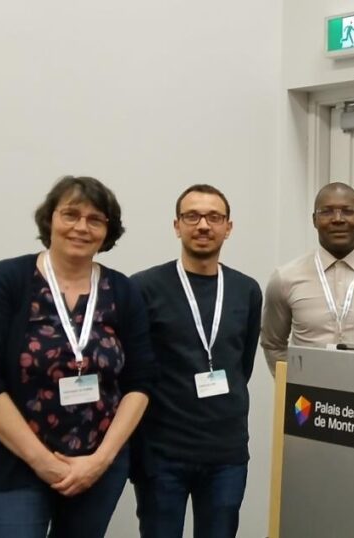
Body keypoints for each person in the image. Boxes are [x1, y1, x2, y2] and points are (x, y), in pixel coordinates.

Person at [0, 176, 156, 537]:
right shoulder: (6, 280)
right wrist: (43, 462)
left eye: (95, 219)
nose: (81, 227)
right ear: (49, 218)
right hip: (15, 466)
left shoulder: (123, 290)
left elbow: (141, 383)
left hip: (96, 468)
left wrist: (100, 461)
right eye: (70, 214)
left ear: (107, 231)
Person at [130, 185, 262, 537]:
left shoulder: (247, 290)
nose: (203, 225)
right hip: (162, 454)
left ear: (228, 227)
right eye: (192, 216)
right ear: (177, 226)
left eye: (214, 217)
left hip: (226, 454)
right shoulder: (143, 288)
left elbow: (242, 366)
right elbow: (133, 371)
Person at [261, 182, 354, 371]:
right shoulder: (284, 278)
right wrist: (292, 382)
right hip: (304, 390)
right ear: (314, 220)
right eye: (326, 212)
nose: (338, 219)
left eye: (348, 211)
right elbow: (273, 343)